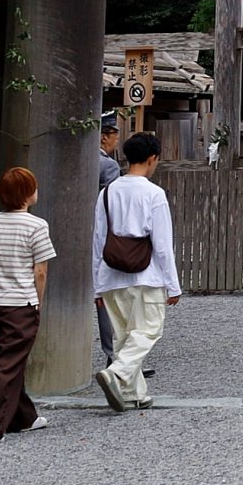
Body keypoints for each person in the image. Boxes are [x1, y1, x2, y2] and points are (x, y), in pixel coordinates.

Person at [92, 132, 181, 411]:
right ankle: (117, 373)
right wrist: (173, 285)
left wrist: (96, 284)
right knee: (148, 331)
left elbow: (98, 240)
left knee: (124, 336)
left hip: (111, 274)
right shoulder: (154, 194)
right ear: (153, 158)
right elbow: (163, 245)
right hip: (146, 275)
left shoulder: (107, 192)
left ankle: (134, 394)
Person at [0, 166, 55, 446]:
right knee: (6, 366)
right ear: (27, 194)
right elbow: (40, 271)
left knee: (7, 360)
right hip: (19, 302)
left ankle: (25, 417)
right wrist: (38, 303)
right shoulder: (36, 226)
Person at [94, 111, 121, 368]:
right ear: (105, 137)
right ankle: (115, 354)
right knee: (107, 296)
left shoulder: (81, 161)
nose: (117, 139)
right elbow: (112, 205)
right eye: (115, 134)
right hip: (102, 236)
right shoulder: (109, 166)